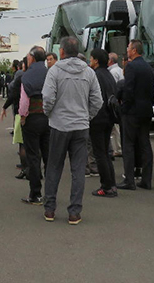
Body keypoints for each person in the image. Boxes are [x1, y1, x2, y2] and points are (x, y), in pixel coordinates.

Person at [42, 37, 103, 224]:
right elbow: (97, 101)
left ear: (61, 51)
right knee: (78, 170)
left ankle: (50, 209)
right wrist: (86, 116)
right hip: (81, 126)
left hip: (59, 126)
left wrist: (50, 114)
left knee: (54, 167)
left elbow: (47, 98)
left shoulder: (54, 71)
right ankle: (74, 212)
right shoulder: (89, 72)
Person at [118, 40, 154, 190]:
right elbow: (151, 90)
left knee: (129, 145)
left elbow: (129, 90)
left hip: (132, 111)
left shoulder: (132, 66)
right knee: (145, 144)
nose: (127, 50)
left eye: (128, 47)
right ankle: (146, 179)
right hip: (146, 110)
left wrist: (124, 108)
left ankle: (129, 179)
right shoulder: (148, 67)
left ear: (133, 50)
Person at [19, 46, 51, 205]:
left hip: (32, 118)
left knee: (33, 156)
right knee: (49, 157)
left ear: (32, 58)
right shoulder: (50, 73)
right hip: (49, 118)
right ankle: (51, 193)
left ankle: (35, 193)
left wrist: (23, 117)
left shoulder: (27, 76)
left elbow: (24, 101)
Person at [88, 48, 118, 197]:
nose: (90, 61)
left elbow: (93, 98)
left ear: (96, 60)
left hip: (98, 118)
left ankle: (106, 186)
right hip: (109, 117)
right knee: (105, 152)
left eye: (91, 58)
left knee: (99, 153)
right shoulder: (109, 75)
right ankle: (111, 184)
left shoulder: (96, 75)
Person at [107, 53, 124, 157]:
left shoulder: (112, 72)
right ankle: (119, 147)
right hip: (120, 101)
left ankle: (118, 148)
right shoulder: (120, 70)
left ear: (110, 61)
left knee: (115, 129)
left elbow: (112, 88)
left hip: (115, 101)